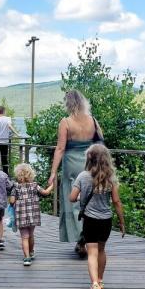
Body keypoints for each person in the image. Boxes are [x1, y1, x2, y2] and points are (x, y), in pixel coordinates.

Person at [47, 90, 103, 256]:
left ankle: (81, 238)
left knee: (74, 203)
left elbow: (60, 148)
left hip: (71, 166)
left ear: (68, 103)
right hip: (90, 164)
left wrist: (53, 173)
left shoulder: (66, 122)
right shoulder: (93, 120)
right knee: (90, 201)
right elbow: (100, 143)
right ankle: (88, 237)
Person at [69, 144, 126, 289]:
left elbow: (72, 198)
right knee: (101, 250)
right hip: (105, 220)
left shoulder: (82, 176)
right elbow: (116, 201)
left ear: (88, 158)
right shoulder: (110, 177)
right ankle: (100, 281)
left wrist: (81, 197)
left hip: (90, 220)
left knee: (92, 252)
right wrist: (122, 222)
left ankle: (94, 284)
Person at [10, 163, 54, 266]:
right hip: (33, 215)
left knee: (24, 237)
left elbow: (12, 201)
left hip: (21, 215)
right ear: (30, 174)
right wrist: (52, 185)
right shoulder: (34, 186)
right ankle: (31, 252)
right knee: (31, 234)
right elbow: (45, 193)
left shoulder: (16, 187)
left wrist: (14, 201)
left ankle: (27, 258)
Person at [0, 106, 20, 174]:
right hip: (5, 142)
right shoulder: (8, 119)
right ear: (4, 111)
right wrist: (17, 134)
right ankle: (5, 174)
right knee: (4, 159)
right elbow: (10, 126)